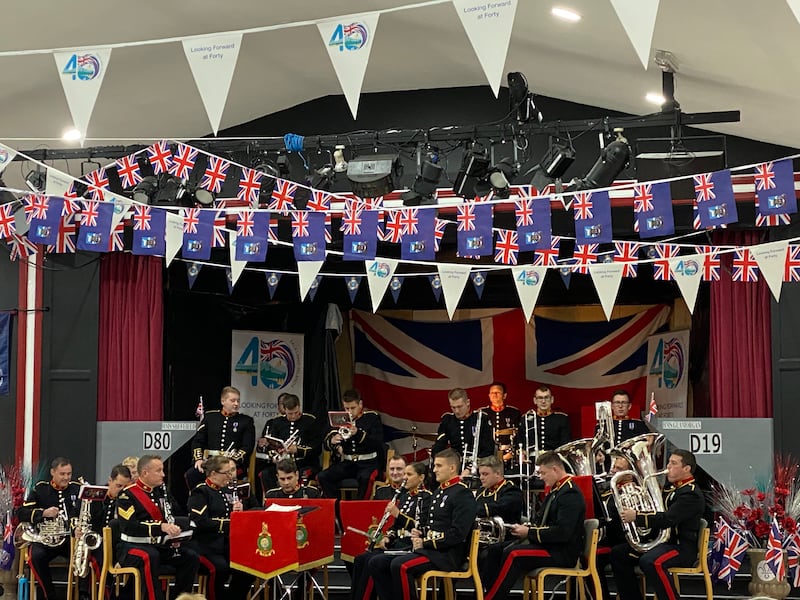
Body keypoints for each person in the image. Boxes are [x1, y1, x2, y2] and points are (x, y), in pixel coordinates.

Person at [370, 449, 477, 600]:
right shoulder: (440, 491)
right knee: (377, 562)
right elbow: (433, 525)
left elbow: (457, 534)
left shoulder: (462, 493)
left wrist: (425, 542)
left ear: (452, 468)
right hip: (431, 550)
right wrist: (420, 532)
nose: (434, 470)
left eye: (439, 466)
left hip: (447, 555)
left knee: (400, 566)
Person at [481, 451, 586, 600]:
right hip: (549, 545)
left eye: (543, 473)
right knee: (496, 549)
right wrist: (528, 528)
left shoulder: (570, 494)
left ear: (555, 469)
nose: (541, 477)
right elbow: (544, 523)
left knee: (514, 554)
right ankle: (488, 593)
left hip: (561, 551)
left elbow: (563, 532)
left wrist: (529, 533)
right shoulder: (558, 490)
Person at [610, 449, 705, 600]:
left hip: (680, 547)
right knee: (619, 554)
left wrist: (637, 516)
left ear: (686, 469)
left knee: (652, 561)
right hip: (663, 543)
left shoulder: (691, 493)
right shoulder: (672, 488)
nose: (668, 466)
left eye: (673, 463)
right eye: (669, 462)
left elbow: (668, 519)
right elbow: (657, 511)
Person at [116, 455, 199, 600]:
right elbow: (131, 527)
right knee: (150, 556)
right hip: (132, 546)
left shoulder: (161, 492)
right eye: (159, 470)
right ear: (145, 473)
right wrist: (160, 527)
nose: (163, 474)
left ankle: (180, 597)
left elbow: (170, 517)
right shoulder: (127, 495)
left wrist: (174, 535)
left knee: (190, 557)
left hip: (160, 545)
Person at [352, 462, 431, 600]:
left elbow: (420, 527)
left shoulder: (426, 497)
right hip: (398, 543)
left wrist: (398, 514)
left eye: (409, 474)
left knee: (374, 561)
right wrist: (388, 537)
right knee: (360, 559)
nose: (404, 478)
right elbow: (396, 527)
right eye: (404, 474)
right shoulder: (405, 496)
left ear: (421, 477)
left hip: (410, 545)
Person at [188, 456, 255, 600]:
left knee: (248, 568)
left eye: (231, 472)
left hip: (225, 545)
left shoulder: (223, 491)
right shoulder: (201, 492)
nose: (230, 476)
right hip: (205, 545)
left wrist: (237, 513)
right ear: (213, 474)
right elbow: (201, 522)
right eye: (226, 473)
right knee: (220, 568)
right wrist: (229, 523)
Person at [17, 457, 81, 600]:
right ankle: (49, 595)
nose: (66, 478)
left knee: (85, 554)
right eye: (62, 474)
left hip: (69, 540)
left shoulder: (77, 489)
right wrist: (43, 513)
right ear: (53, 472)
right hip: (45, 540)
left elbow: (79, 514)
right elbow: (21, 513)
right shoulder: (41, 489)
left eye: (69, 474)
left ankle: (82, 594)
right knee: (36, 556)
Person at [318, 389, 384, 500]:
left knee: (366, 478)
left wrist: (358, 433)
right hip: (347, 463)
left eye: (353, 408)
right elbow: (326, 441)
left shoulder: (372, 417)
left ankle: (360, 508)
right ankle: (336, 506)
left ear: (360, 404)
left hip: (367, 463)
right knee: (323, 476)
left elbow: (377, 443)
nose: (349, 412)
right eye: (346, 408)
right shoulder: (339, 417)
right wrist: (333, 441)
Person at [187, 386, 255, 490]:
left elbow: (247, 447)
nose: (236, 404)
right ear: (223, 401)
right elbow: (198, 441)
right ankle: (199, 498)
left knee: (224, 475)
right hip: (210, 462)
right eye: (232, 400)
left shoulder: (246, 421)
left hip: (232, 463)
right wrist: (198, 459)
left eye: (238, 401)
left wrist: (233, 461)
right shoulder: (210, 417)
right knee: (192, 474)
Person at [257, 393, 322, 495]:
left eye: (296, 413)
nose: (293, 416)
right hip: (282, 463)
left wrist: (298, 450)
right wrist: (275, 456)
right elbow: (271, 446)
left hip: (303, 463)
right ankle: (272, 500)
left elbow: (317, 447)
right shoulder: (277, 422)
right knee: (266, 474)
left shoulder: (310, 421)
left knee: (304, 473)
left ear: (299, 407)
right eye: (290, 414)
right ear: (284, 410)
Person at [430, 388, 494, 477]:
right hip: (455, 466)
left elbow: (488, 449)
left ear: (467, 402)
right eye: (453, 407)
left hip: (479, 467)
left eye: (459, 407)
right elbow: (439, 446)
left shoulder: (481, 418)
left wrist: (470, 468)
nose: (457, 411)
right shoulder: (447, 420)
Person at [521, 386, 571, 455]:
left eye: (546, 397)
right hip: (532, 459)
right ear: (535, 400)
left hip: (554, 458)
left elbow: (565, 445)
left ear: (552, 399)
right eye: (540, 398)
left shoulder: (561, 419)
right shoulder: (526, 419)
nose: (543, 401)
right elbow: (521, 443)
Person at [475, 455, 524, 525]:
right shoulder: (481, 491)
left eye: (485, 474)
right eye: (480, 474)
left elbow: (499, 508)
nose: (481, 478)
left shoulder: (511, 490)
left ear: (497, 474)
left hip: (506, 531)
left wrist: (471, 508)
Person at [483, 382, 521, 466]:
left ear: (504, 395)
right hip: (488, 455)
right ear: (489, 395)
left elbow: (519, 435)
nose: (494, 395)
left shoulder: (514, 412)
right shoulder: (483, 413)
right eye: (492, 393)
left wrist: (513, 452)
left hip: (508, 454)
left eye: (498, 392)